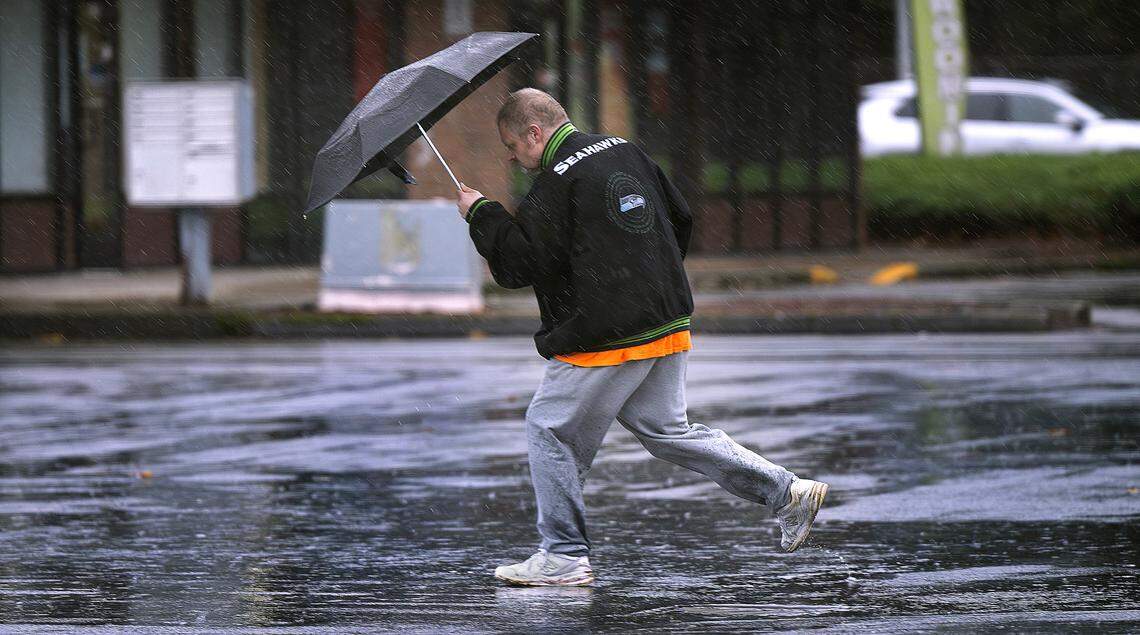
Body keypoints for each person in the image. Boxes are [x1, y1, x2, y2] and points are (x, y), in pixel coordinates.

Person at [456, 88, 828, 587]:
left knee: (549, 429)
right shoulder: (623, 150)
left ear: (534, 133)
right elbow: (680, 219)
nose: (514, 158)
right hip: (666, 316)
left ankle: (563, 555)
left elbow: (523, 264)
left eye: (513, 146)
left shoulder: (554, 185)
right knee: (668, 432)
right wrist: (649, 278)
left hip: (608, 331)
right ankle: (788, 492)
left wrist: (482, 214)